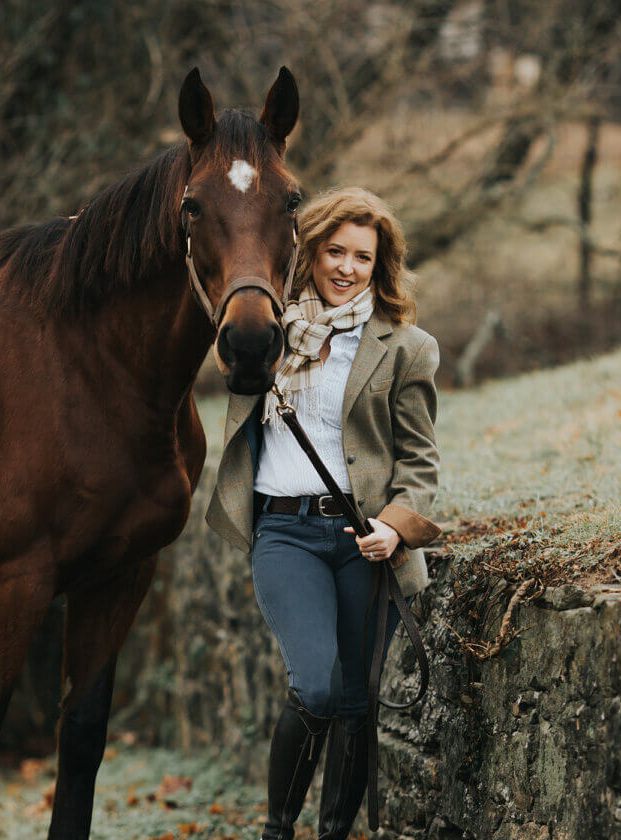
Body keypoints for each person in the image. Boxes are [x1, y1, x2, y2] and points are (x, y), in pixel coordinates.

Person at [206, 186, 442, 839]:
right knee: (315, 686)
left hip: (364, 540)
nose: (345, 267)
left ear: (379, 265)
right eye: (334, 250)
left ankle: (334, 832)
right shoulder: (266, 330)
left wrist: (394, 526)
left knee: (356, 703)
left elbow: (420, 463)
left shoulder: (406, 348)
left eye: (362, 257)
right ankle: (278, 829)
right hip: (284, 533)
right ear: (308, 251)